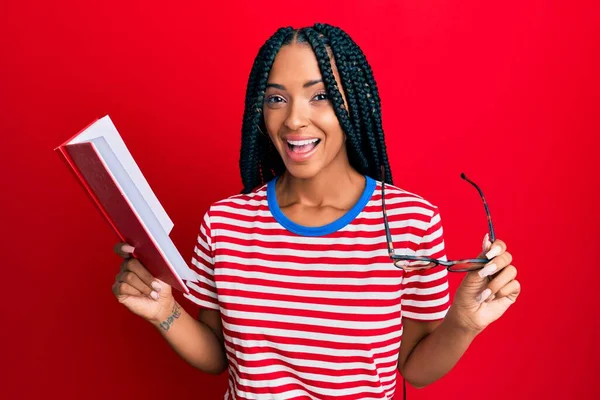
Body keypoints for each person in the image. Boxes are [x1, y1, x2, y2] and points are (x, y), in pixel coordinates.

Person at [111, 23, 521, 400]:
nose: (294, 119)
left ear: (353, 105)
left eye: (319, 95)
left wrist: (465, 322)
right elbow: (219, 356)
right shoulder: (225, 223)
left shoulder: (410, 220)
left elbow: (414, 368)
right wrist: (162, 311)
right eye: (276, 99)